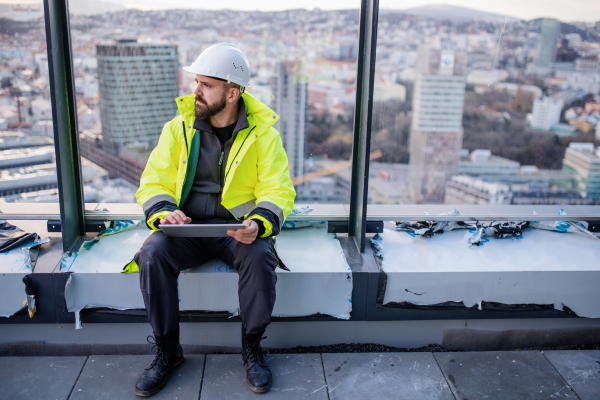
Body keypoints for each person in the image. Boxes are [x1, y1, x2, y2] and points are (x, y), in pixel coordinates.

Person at [131, 43, 296, 397]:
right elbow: (154, 181)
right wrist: (162, 212)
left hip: (235, 232)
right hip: (184, 230)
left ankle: (252, 347)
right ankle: (167, 351)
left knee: (261, 257)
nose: (196, 91)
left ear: (232, 92)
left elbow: (277, 189)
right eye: (197, 82)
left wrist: (259, 222)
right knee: (151, 255)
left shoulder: (263, 135)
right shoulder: (179, 129)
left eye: (206, 84)